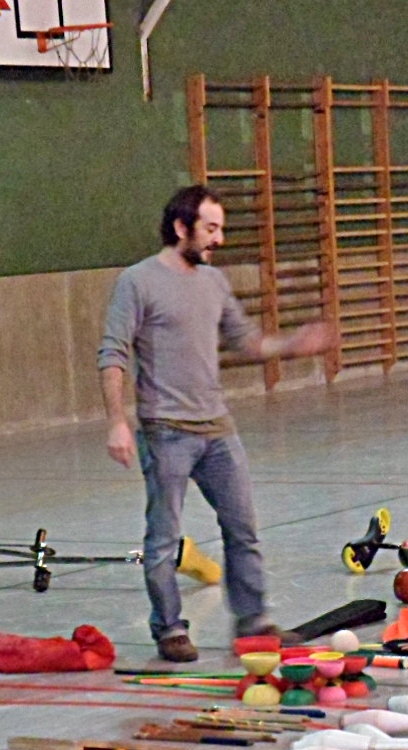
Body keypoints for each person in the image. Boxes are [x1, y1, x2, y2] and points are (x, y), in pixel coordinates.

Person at [97, 184, 337, 663]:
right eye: (210, 228)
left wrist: (294, 345)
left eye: (220, 229)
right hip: (165, 430)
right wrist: (117, 422)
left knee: (243, 527)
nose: (219, 239)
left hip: (217, 428)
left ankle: (253, 621)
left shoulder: (214, 282)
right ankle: (169, 628)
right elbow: (113, 353)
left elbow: (247, 341)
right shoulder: (137, 282)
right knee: (163, 538)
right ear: (180, 227)